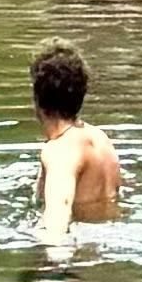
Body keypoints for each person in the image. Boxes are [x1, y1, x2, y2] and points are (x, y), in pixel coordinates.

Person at [31, 38, 122, 242]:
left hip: (77, 251)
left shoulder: (60, 150)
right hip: (104, 245)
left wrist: (50, 259)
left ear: (37, 97)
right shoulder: (101, 139)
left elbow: (56, 223)